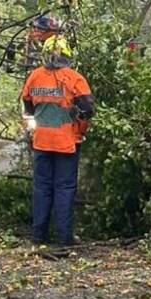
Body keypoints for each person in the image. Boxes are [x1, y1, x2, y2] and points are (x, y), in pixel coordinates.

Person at [20, 36, 94, 247]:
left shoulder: (34, 76)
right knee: (65, 188)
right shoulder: (74, 78)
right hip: (66, 142)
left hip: (41, 141)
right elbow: (87, 110)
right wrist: (80, 129)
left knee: (42, 187)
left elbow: (28, 106)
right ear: (67, 55)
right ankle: (64, 238)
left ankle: (38, 236)